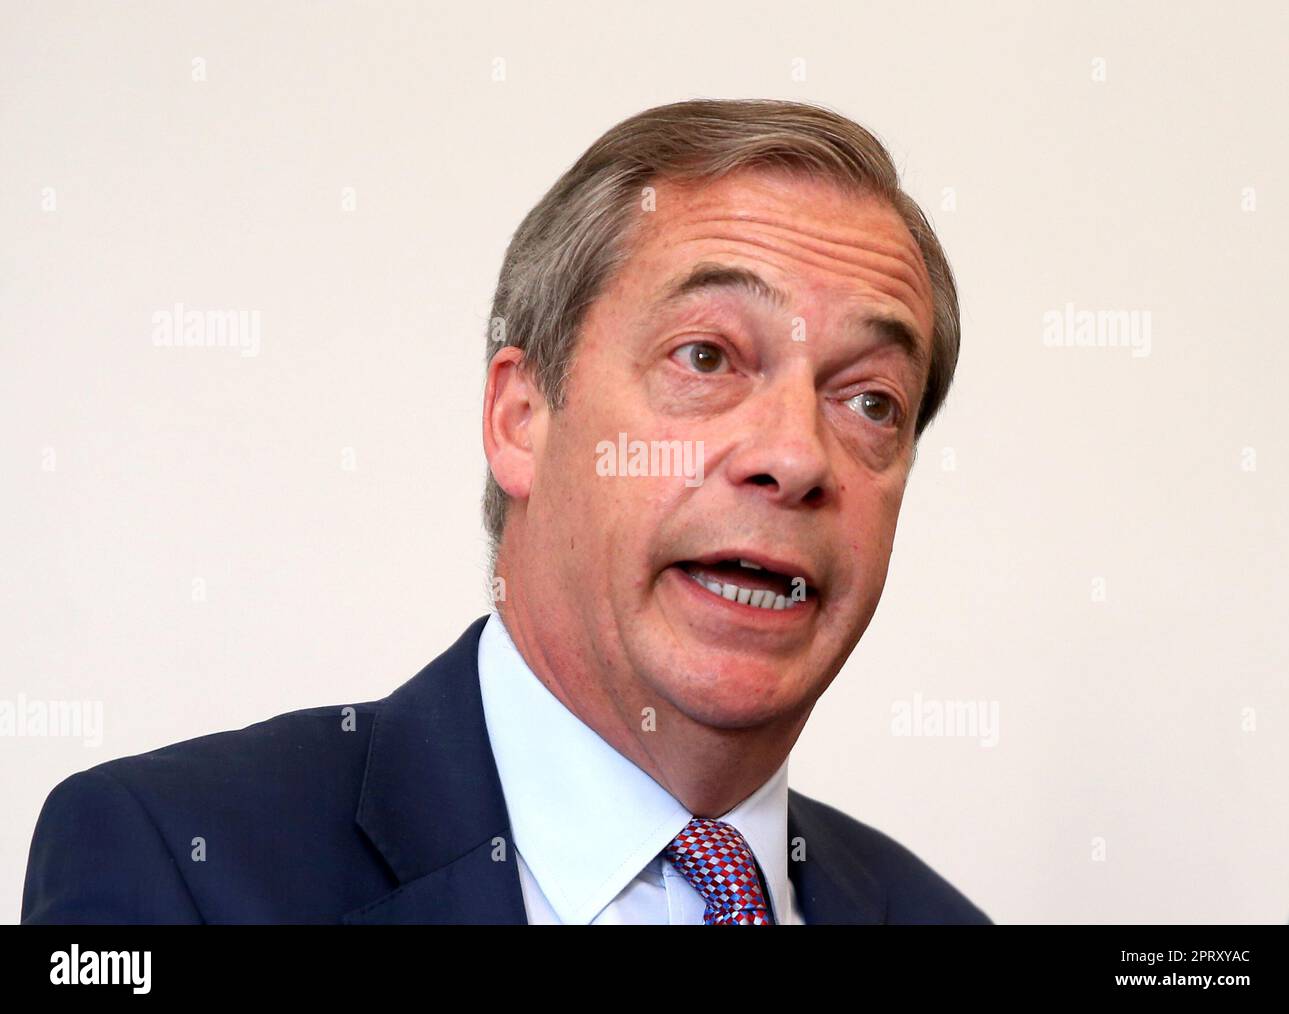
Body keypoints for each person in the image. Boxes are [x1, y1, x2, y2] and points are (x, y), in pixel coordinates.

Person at [22, 98, 990, 925]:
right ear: (520, 420)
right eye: (705, 357)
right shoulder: (173, 865)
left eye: (869, 400)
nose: (793, 456)